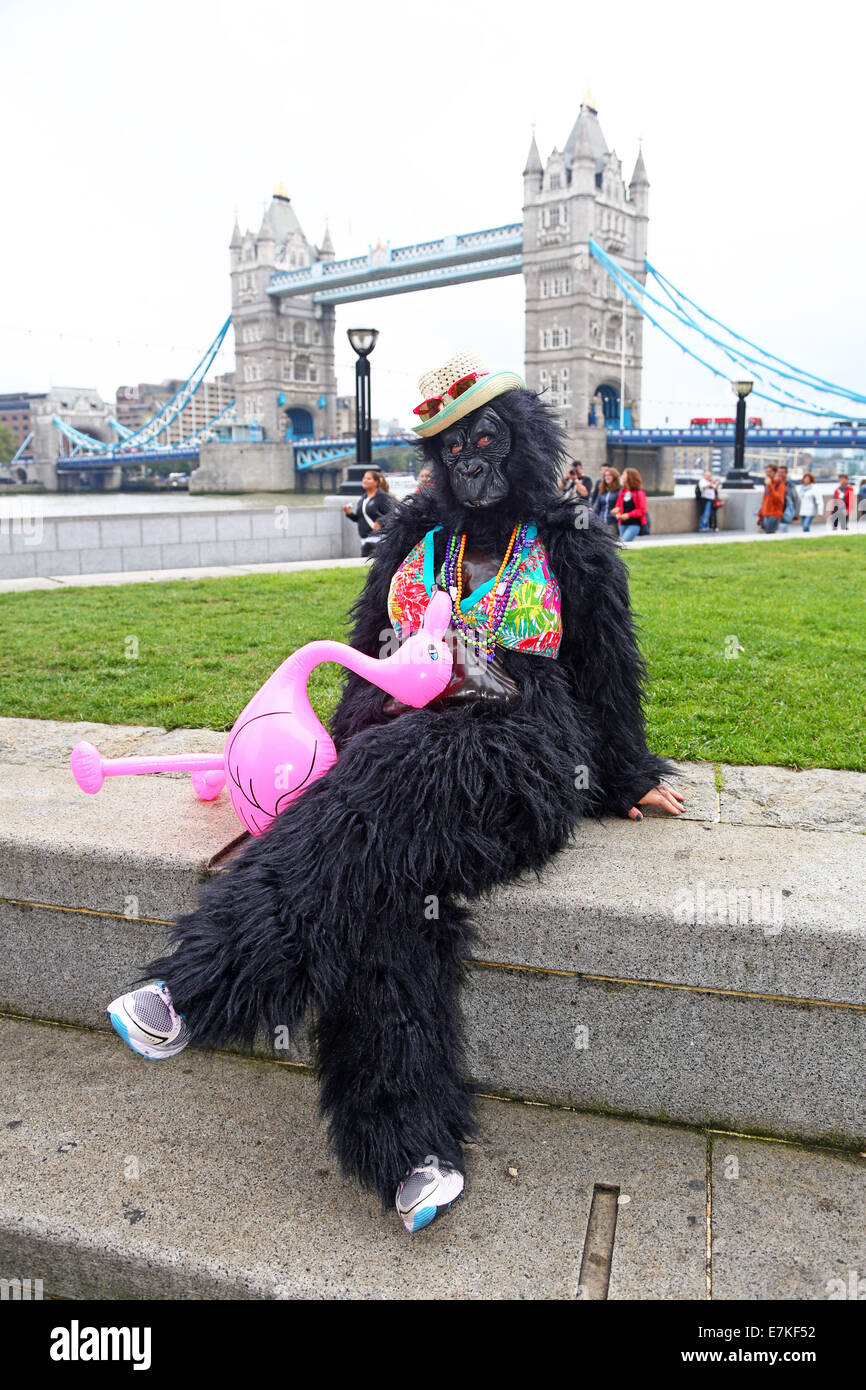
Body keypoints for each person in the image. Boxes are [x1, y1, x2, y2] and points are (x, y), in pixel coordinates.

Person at [106, 350, 682, 1236]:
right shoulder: (417, 541)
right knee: (393, 896)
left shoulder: (572, 549)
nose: (471, 463)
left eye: (486, 442)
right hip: (393, 745)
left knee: (375, 794)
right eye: (453, 450)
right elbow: (367, 655)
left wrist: (630, 777)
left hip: (517, 750)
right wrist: (327, 758)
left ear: (523, 444)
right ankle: (413, 1157)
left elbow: (609, 680)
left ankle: (196, 988)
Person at [343, 469, 395, 556]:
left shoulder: (382, 497)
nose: (365, 480)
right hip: (364, 539)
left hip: (377, 538)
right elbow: (360, 518)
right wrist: (349, 514)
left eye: (368, 478)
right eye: (364, 478)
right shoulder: (363, 498)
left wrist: (380, 521)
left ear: (376, 482)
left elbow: (392, 513)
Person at [613, 467, 648, 543]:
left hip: (634, 523)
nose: (621, 476)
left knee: (624, 543)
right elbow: (618, 506)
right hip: (622, 523)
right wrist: (617, 513)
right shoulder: (622, 492)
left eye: (623, 474)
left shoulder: (639, 493)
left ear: (630, 476)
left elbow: (643, 510)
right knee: (623, 545)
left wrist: (629, 515)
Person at [591, 466, 621, 536]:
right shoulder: (602, 490)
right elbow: (597, 507)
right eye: (605, 475)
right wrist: (593, 520)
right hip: (601, 522)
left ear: (614, 476)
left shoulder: (619, 491)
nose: (607, 477)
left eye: (609, 475)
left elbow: (620, 506)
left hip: (612, 522)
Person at [757, 465, 785, 534]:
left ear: (775, 472)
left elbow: (779, 499)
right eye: (766, 472)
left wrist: (770, 487)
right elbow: (765, 500)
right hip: (765, 513)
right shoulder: (767, 484)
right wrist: (760, 515)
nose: (767, 474)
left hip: (774, 513)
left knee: (770, 533)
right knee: (765, 533)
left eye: (770, 472)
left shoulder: (780, 484)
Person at [778, 465, 800, 533]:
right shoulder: (775, 484)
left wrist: (796, 513)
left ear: (786, 473)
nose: (780, 474)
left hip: (786, 511)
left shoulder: (790, 485)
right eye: (779, 472)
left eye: (782, 472)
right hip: (776, 510)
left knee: (784, 528)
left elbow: (796, 500)